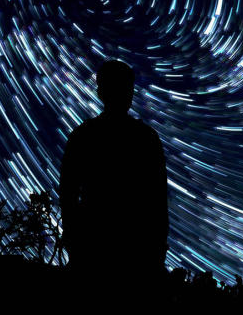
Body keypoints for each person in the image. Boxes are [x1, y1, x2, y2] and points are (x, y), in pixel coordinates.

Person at [59, 60, 168, 304]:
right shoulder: (145, 138)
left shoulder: (84, 135)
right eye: (123, 87)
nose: (126, 93)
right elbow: (158, 199)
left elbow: (67, 193)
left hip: (102, 251)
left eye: (127, 87)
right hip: (130, 254)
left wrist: (74, 239)